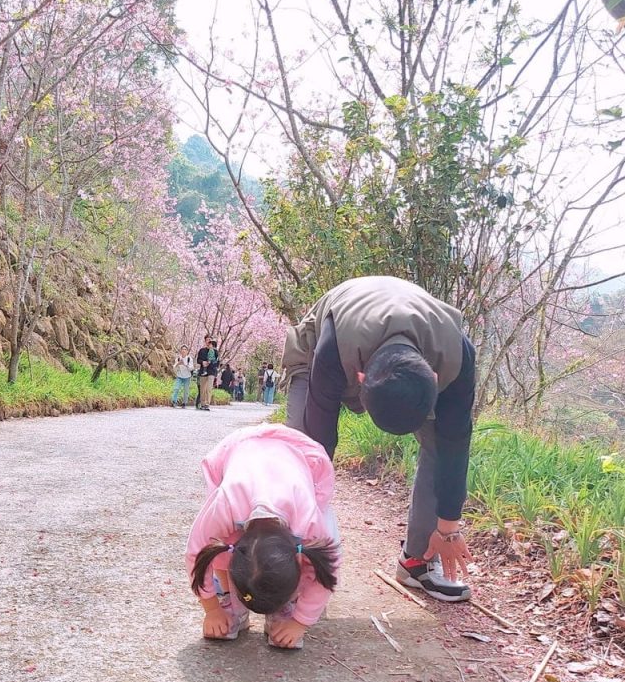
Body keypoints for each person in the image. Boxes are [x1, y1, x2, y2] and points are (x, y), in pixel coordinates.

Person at [281, 275, 476, 602]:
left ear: (435, 378)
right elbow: (318, 439)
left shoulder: (457, 356)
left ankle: (417, 562)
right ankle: (289, 554)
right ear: (359, 380)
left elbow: (455, 445)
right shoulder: (332, 350)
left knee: (440, 447)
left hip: (413, 350)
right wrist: (307, 523)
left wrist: (448, 528)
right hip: (321, 343)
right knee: (300, 452)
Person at [186, 424, 340, 649]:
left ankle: (285, 605)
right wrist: (212, 609)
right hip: (241, 453)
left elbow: (328, 572)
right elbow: (197, 553)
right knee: (218, 544)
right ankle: (232, 602)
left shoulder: (312, 525)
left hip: (297, 456)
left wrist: (299, 622)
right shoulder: (224, 505)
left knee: (307, 561)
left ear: (298, 558)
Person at [195, 337, 220, 411]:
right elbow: (198, 360)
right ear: (205, 341)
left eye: (210, 340)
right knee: (202, 389)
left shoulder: (215, 351)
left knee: (209, 388)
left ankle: (207, 404)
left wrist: (211, 363)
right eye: (207, 340)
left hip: (211, 371)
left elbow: (218, 362)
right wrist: (203, 362)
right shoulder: (202, 350)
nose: (209, 342)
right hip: (203, 371)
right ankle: (202, 404)